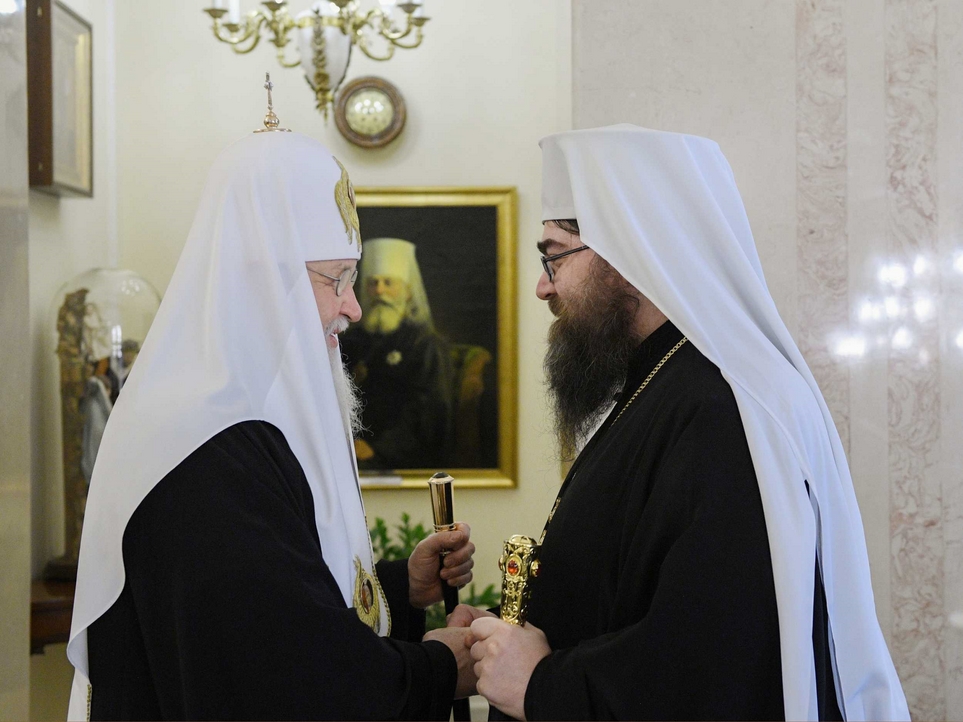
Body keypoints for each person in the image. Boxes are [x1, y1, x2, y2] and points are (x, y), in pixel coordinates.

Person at [452, 126, 909, 721]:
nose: (542, 286)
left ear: (631, 251)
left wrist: (545, 682)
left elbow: (715, 657)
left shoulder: (722, 410)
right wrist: (504, 638)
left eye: (553, 255)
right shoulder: (660, 385)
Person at [65, 124, 476, 720]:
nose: (352, 307)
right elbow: (286, 676)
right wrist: (440, 668)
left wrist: (396, 587)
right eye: (335, 279)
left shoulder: (235, 418)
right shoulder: (209, 446)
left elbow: (274, 597)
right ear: (264, 278)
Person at [340, 237, 455, 470]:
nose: (379, 290)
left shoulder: (425, 344)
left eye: (388, 283)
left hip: (400, 456)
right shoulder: (350, 341)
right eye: (373, 283)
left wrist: (379, 448)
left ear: (408, 293)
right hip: (349, 453)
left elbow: (430, 410)